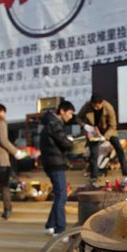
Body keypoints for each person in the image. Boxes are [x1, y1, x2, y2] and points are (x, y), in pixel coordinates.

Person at [39, 100, 76, 235]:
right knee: (62, 195)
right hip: (55, 163)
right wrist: (72, 142)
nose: (71, 116)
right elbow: (64, 142)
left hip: (51, 162)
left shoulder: (49, 123)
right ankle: (60, 230)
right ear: (62, 111)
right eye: (70, 113)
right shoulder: (55, 124)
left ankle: (50, 225)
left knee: (59, 195)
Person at [78, 93, 127, 180]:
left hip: (108, 130)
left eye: (97, 106)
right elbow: (78, 118)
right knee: (94, 153)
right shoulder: (87, 106)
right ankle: (94, 176)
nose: (95, 108)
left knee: (119, 148)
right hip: (93, 130)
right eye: (94, 106)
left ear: (102, 103)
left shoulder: (109, 108)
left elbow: (113, 126)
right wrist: (85, 126)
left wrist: (105, 137)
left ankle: (125, 171)